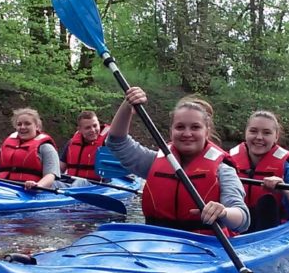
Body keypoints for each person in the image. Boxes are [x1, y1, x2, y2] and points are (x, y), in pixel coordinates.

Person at [106, 87, 249, 236]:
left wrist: (224, 212)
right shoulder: (153, 162)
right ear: (171, 131)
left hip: (205, 248)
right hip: (155, 243)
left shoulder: (223, 169)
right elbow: (116, 142)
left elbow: (243, 220)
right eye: (180, 127)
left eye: (195, 127)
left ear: (206, 131)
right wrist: (127, 106)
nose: (187, 133)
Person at [228, 111, 289, 231]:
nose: (259, 137)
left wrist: (285, 190)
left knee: (267, 202)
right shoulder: (227, 164)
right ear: (245, 133)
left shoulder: (287, 169)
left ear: (276, 137)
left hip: (271, 231)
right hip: (233, 230)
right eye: (253, 131)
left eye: (266, 133)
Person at [0, 108, 61, 191]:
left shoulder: (47, 148)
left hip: (29, 190)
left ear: (37, 126)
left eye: (27, 124)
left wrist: (38, 185)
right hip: (4, 187)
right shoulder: (8, 145)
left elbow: (50, 176)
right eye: (19, 124)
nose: (22, 127)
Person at [59, 110, 110, 183]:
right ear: (79, 130)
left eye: (95, 126)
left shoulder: (107, 143)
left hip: (96, 186)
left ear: (99, 124)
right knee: (53, 183)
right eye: (88, 128)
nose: (92, 130)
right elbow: (60, 168)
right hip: (70, 185)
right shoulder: (71, 143)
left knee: (79, 182)